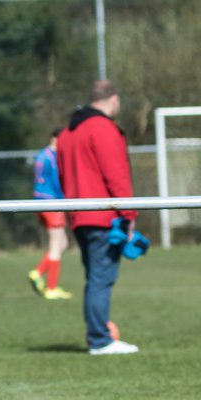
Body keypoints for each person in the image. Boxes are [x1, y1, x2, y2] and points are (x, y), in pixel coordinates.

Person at [56, 80, 139, 355]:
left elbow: (63, 174)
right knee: (101, 280)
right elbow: (116, 173)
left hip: (78, 216)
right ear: (113, 100)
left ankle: (98, 335)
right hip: (103, 217)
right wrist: (128, 214)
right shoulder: (102, 128)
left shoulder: (68, 131)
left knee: (94, 278)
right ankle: (100, 340)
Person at [28, 129, 73, 300]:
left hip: (40, 201)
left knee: (62, 243)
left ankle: (38, 272)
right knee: (57, 244)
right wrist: (64, 199)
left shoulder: (42, 154)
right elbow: (56, 181)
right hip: (51, 202)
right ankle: (51, 287)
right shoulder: (52, 157)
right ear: (55, 138)